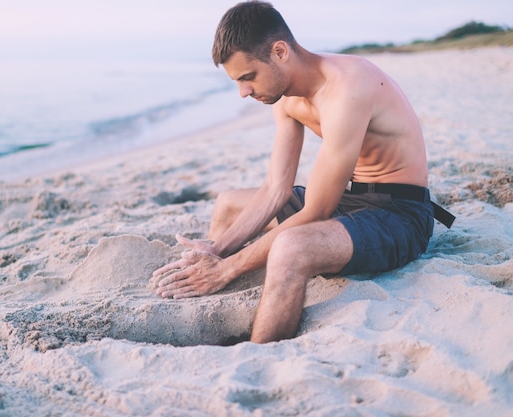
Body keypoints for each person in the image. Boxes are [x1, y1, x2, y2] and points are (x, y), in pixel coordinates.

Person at [150, 0, 454, 343]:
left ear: (280, 52)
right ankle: (210, 295)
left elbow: (317, 211)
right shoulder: (286, 98)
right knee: (228, 203)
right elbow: (276, 189)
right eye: (237, 81)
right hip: (351, 201)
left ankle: (261, 351)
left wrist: (229, 268)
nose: (243, 92)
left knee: (290, 248)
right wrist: (217, 250)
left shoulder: (348, 88)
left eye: (248, 77)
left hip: (397, 215)